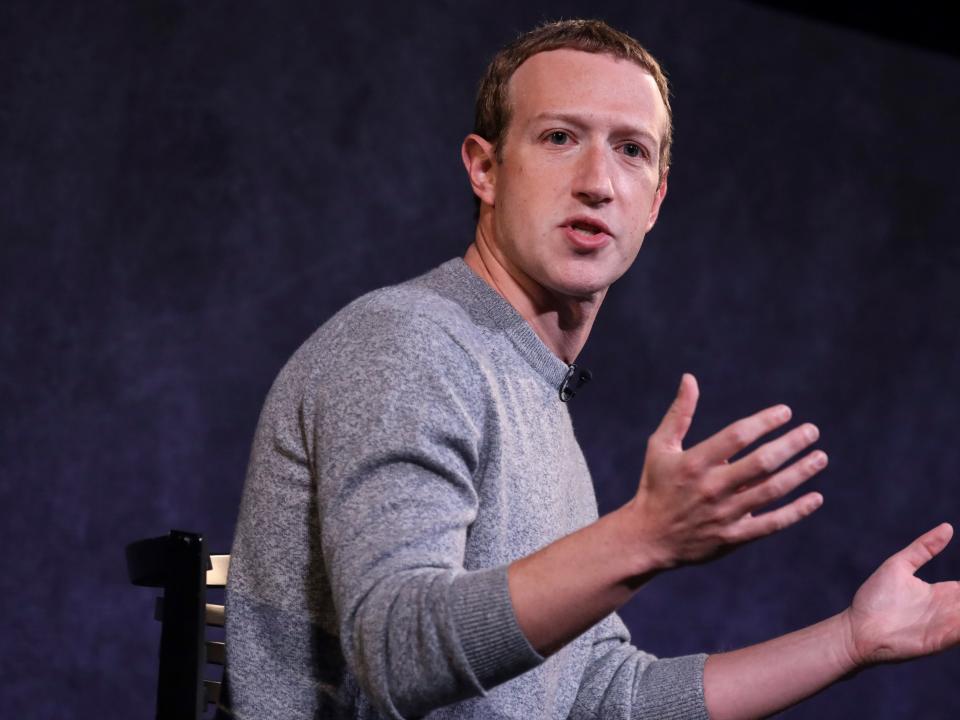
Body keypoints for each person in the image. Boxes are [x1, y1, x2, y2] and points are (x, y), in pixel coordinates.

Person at [223, 19, 960, 720]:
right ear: (484, 168)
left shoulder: (537, 402)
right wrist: (643, 537)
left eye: (632, 150)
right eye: (558, 137)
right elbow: (396, 652)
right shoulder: (409, 344)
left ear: (655, 203)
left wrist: (855, 638)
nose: (597, 181)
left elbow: (603, 699)